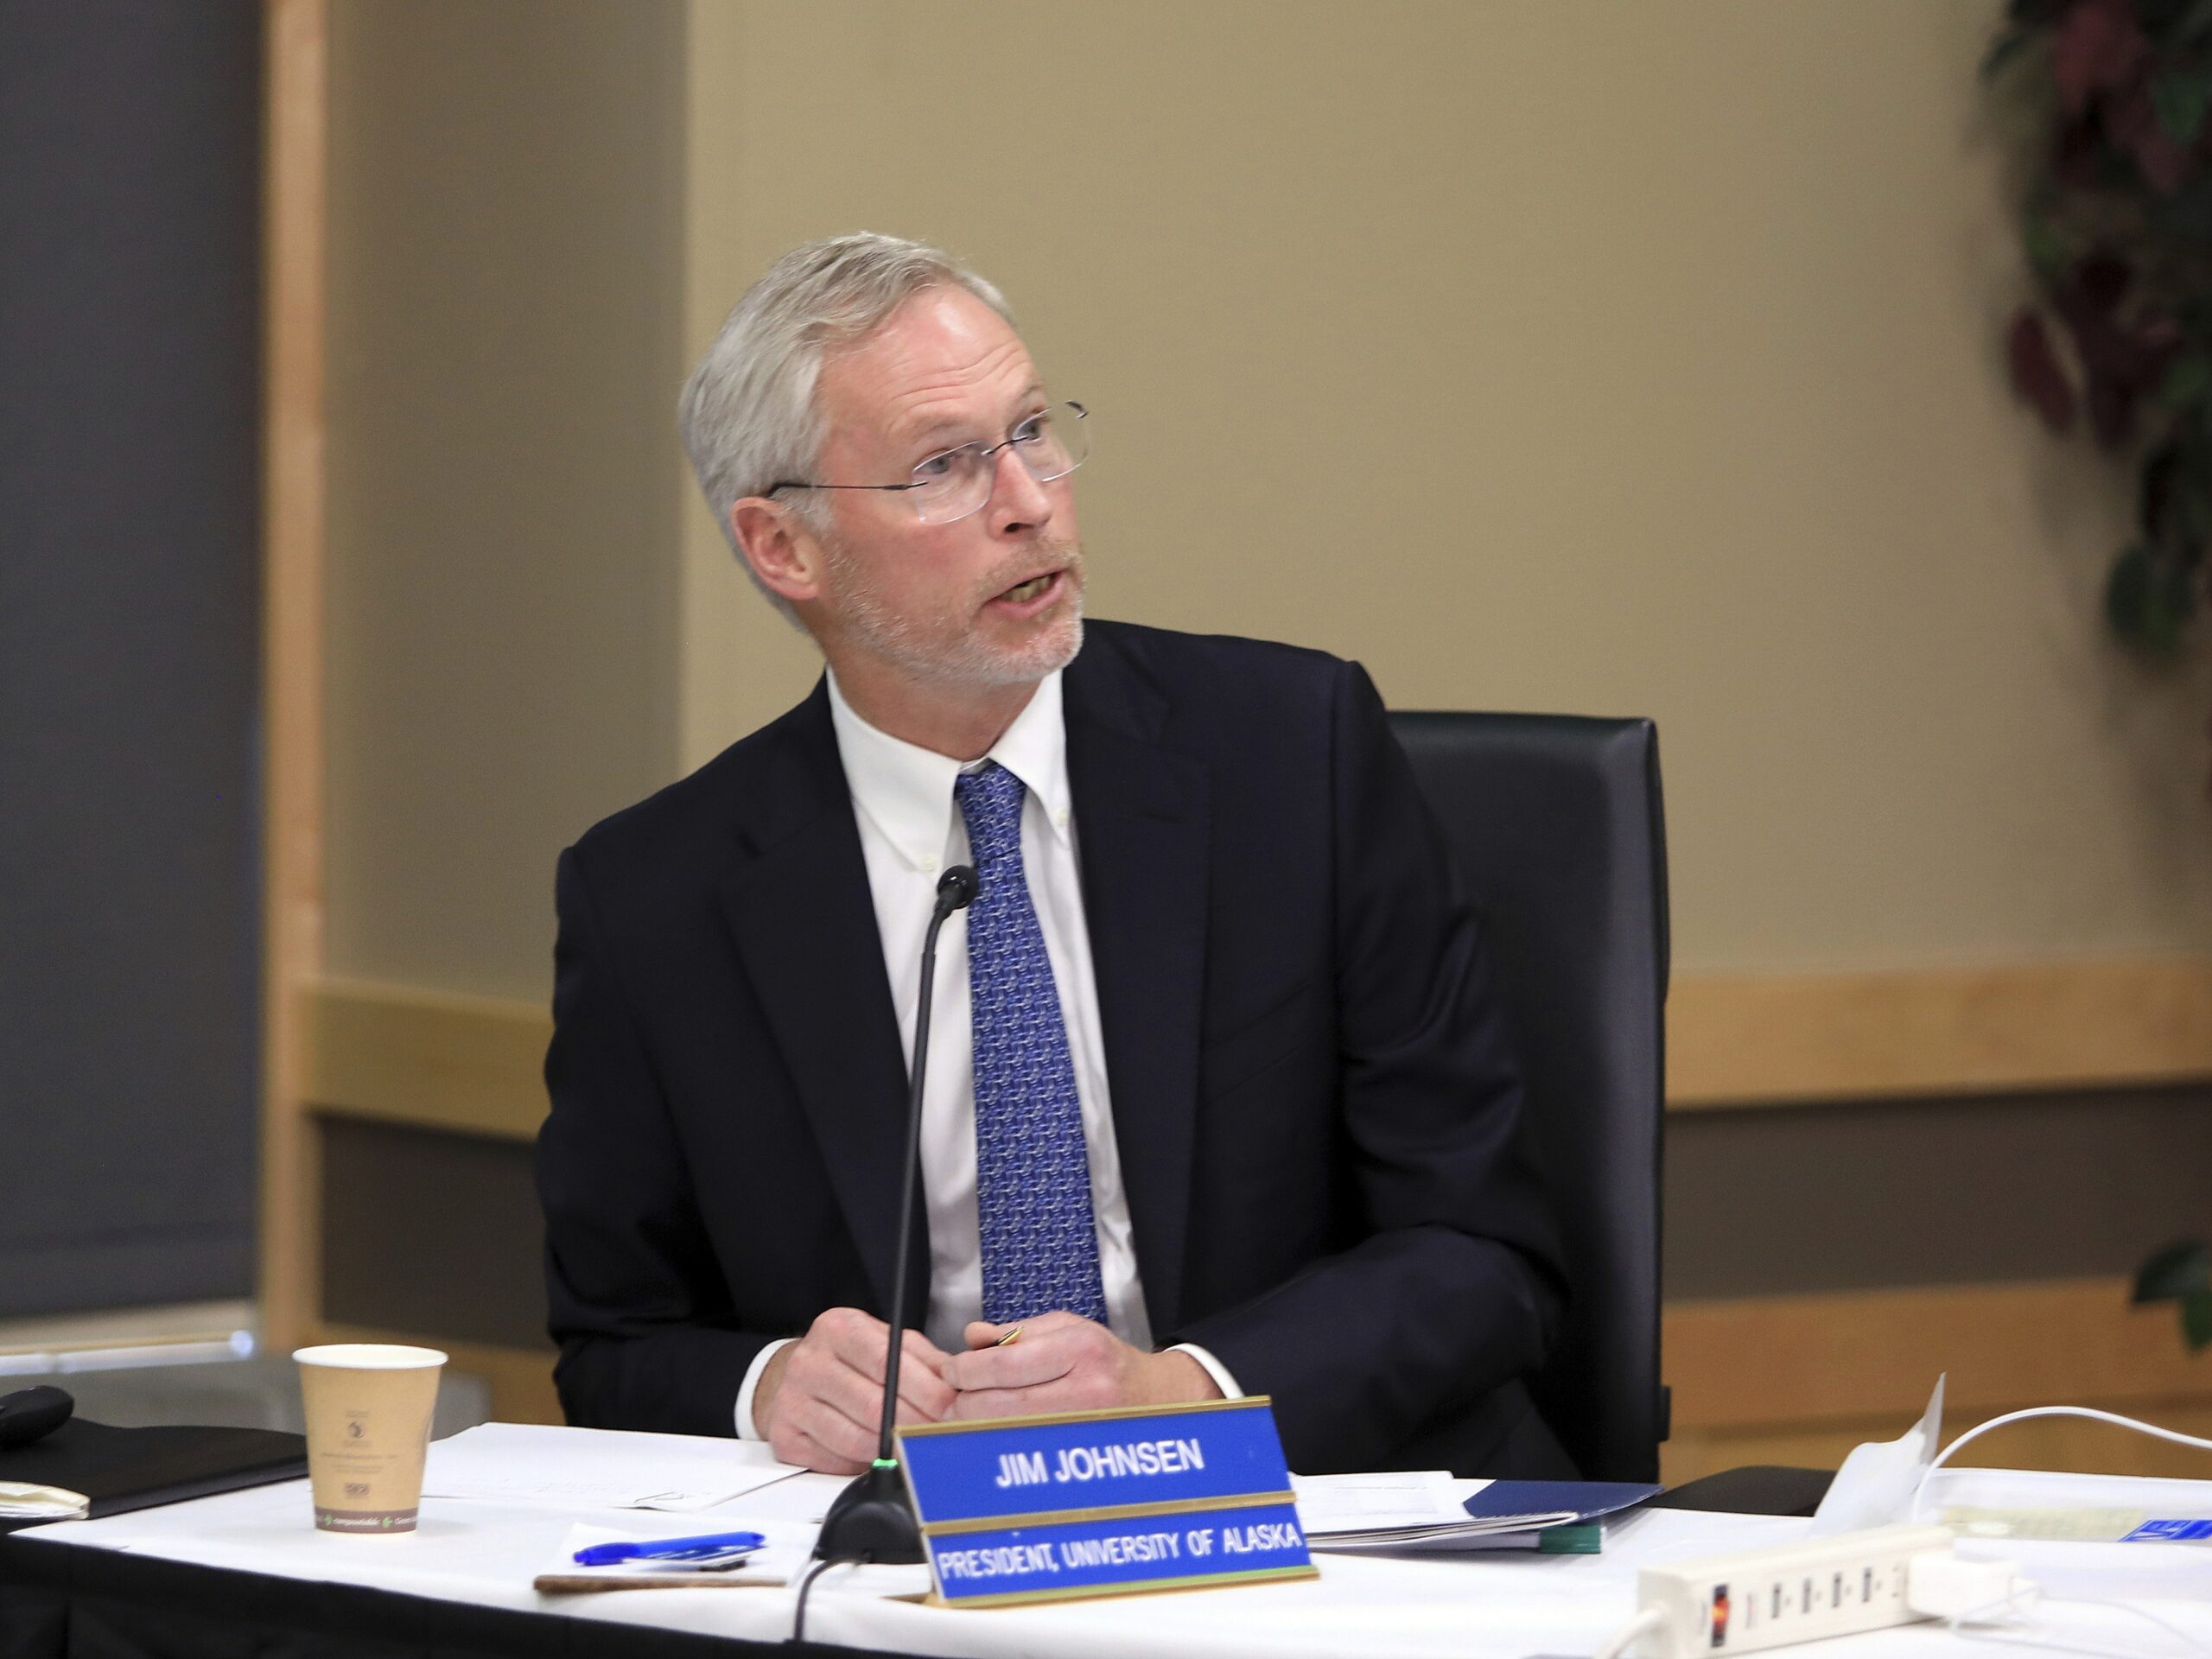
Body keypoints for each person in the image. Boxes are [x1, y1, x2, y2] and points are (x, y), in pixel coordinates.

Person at [535, 232, 1572, 1478]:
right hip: (911, 1554)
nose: (1028, 499)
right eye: (943, 467)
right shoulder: (659, 898)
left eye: (1031, 430)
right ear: (783, 548)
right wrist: (768, 1389)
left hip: (1319, 1509)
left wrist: (1180, 1393)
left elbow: (1483, 1250)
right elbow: (615, 1341)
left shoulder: (1293, 759)